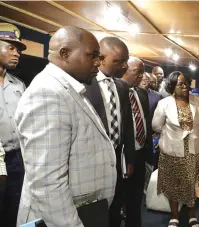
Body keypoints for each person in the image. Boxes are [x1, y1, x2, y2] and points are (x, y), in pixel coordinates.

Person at [15, 26, 117, 227]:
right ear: (65, 53)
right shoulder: (47, 94)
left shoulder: (70, 88)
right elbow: (47, 184)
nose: (98, 62)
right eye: (93, 55)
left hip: (83, 211)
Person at [83, 36, 135, 227]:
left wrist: (129, 158)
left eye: (126, 61)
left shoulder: (122, 86)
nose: (125, 67)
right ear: (102, 59)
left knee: (115, 206)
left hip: (117, 159)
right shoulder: (84, 84)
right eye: (119, 61)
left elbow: (127, 125)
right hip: (91, 161)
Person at [152, 71, 199, 227]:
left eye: (186, 83)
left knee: (191, 183)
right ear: (172, 87)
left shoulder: (198, 101)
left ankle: (192, 216)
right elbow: (156, 126)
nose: (185, 86)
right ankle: (175, 217)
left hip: (194, 151)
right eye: (180, 84)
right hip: (172, 151)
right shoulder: (164, 103)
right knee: (174, 184)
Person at [120, 57, 153, 227]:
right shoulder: (117, 92)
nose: (141, 76)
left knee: (136, 199)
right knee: (119, 201)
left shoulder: (142, 93)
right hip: (123, 156)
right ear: (125, 69)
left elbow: (146, 122)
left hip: (140, 154)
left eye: (142, 71)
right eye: (137, 72)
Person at [0, 22, 27, 227]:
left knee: (15, 210)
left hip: (18, 159)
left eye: (17, 49)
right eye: (10, 47)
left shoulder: (18, 85)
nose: (16, 53)